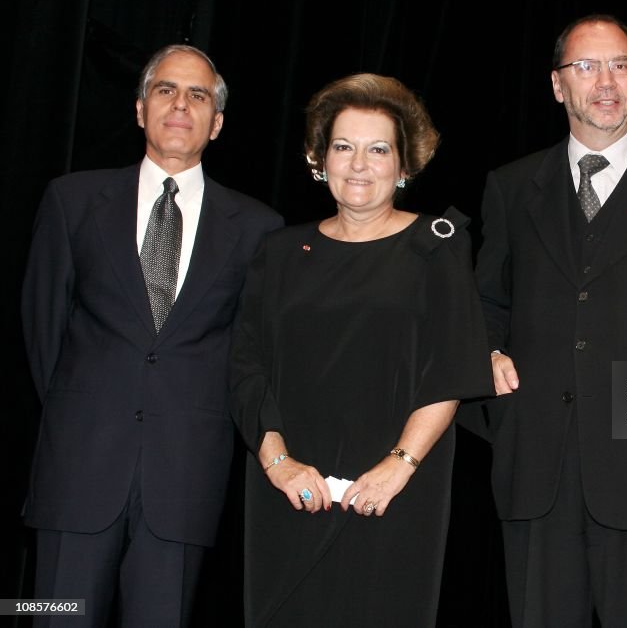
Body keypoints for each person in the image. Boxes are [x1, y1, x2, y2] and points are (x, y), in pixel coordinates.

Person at [464, 14, 627, 626]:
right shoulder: (511, 187)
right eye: (586, 66)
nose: (605, 81)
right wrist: (488, 349)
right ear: (558, 86)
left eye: (621, 65)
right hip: (536, 470)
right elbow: (486, 302)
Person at [21, 44, 283, 626]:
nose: (180, 105)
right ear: (141, 109)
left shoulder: (260, 229)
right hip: (77, 472)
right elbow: (43, 334)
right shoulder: (71, 201)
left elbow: (250, 353)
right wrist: (87, 415)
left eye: (198, 95)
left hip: (185, 481)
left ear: (216, 124)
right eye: (166, 89)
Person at [229, 73, 493, 627]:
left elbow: (452, 367)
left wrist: (397, 467)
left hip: (395, 493)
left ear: (403, 167)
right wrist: (277, 463)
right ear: (319, 159)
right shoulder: (279, 251)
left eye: (378, 150)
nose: (358, 164)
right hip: (290, 492)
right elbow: (245, 366)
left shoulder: (437, 245)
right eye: (343, 147)